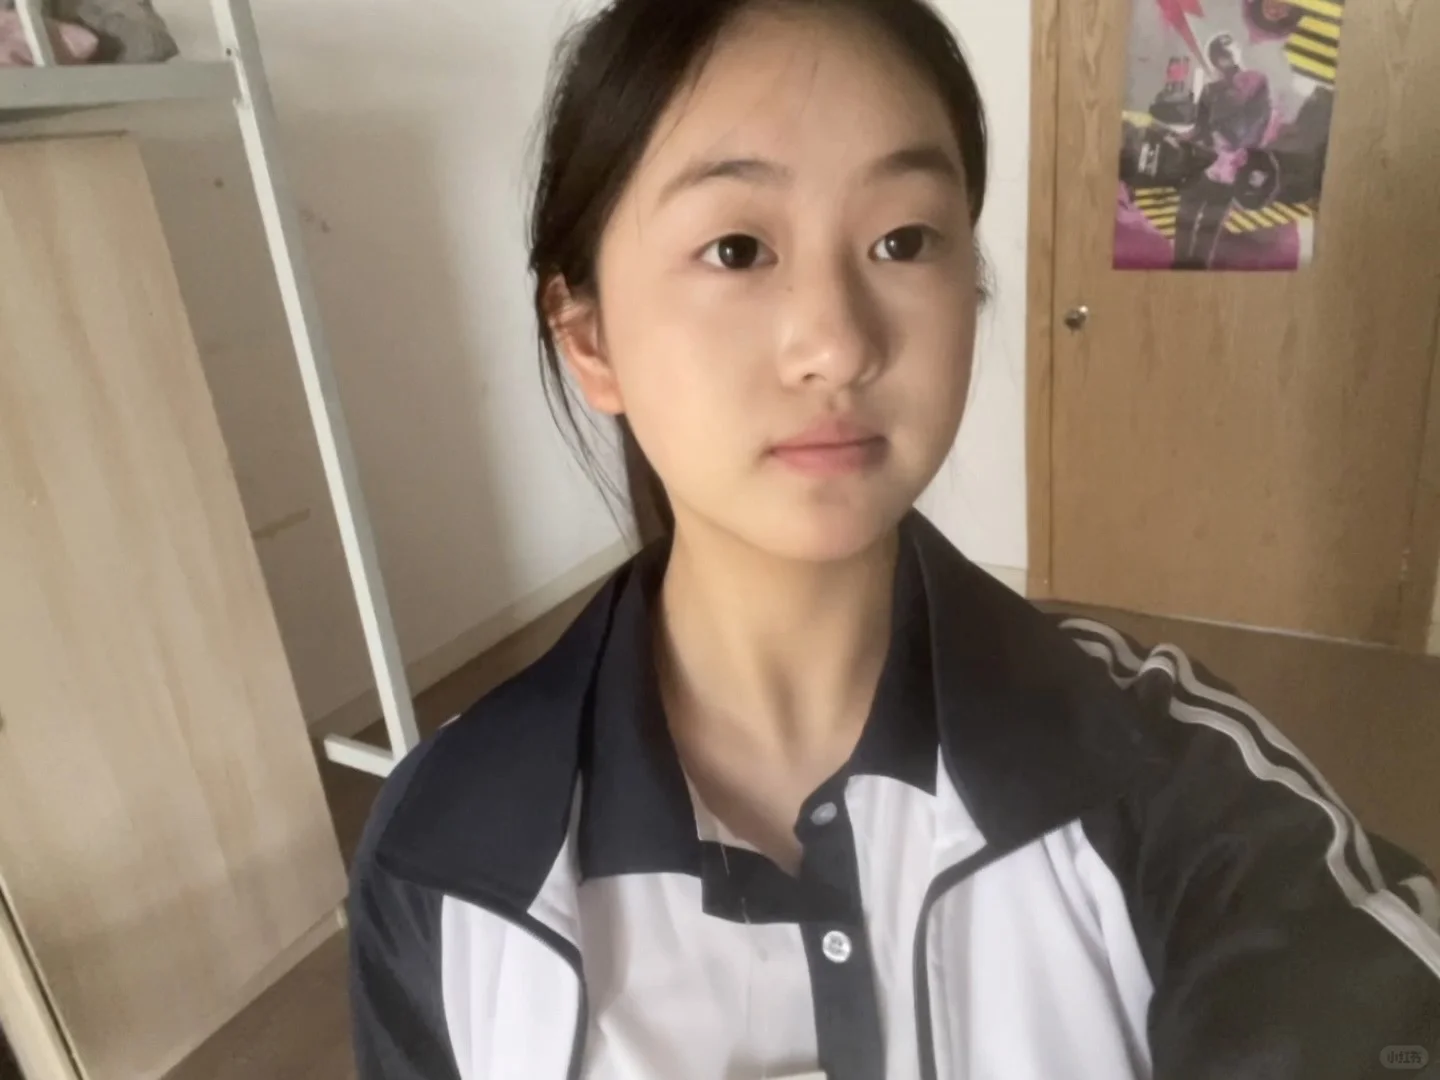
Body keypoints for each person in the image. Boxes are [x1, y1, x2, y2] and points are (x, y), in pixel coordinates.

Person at [348, 1, 1440, 1077]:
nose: (837, 343)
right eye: (737, 248)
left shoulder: (1158, 765)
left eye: (902, 240)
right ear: (589, 338)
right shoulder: (447, 851)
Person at [1173, 32, 1275, 269]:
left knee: (1208, 224)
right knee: (1187, 217)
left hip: (1231, 168)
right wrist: (1186, 137)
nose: (1225, 60)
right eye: (1220, 56)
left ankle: (1195, 270)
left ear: (1237, 52)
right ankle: (1179, 268)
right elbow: (1200, 128)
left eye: (1228, 53)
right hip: (1207, 166)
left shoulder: (1256, 83)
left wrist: (1228, 142)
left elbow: (1257, 123)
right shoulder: (1211, 90)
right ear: (1215, 60)